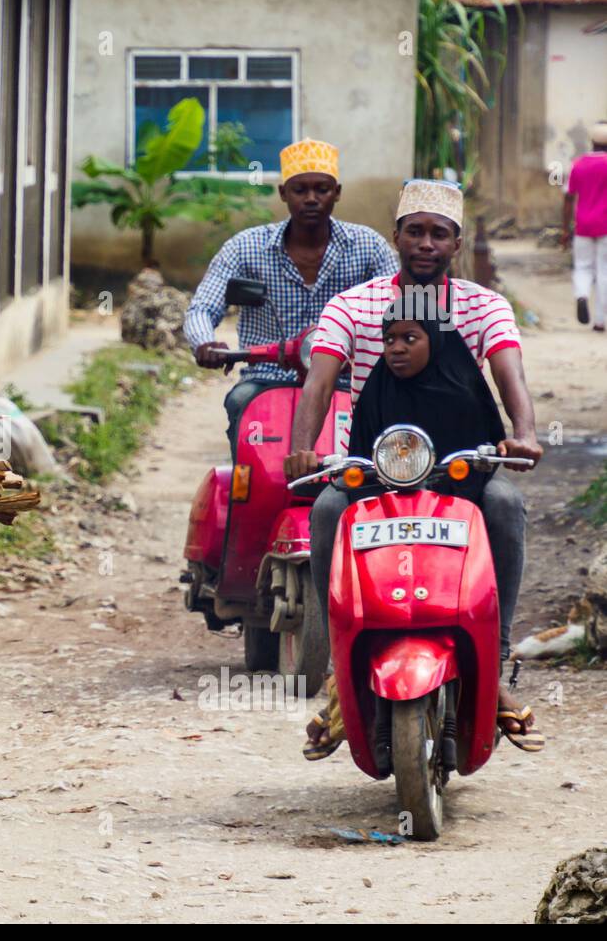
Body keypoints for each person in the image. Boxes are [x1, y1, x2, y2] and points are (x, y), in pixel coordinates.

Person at [285, 179, 545, 757]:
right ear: (396, 236)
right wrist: (303, 449)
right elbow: (319, 383)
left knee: (504, 506)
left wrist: (523, 435)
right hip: (372, 468)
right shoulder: (354, 305)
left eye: (440, 233)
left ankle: (492, 658)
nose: (426, 242)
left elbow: (511, 378)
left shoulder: (485, 306)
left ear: (456, 243)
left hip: (462, 468)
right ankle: (337, 667)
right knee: (327, 509)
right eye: (415, 231)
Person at [184, 138, 399, 451]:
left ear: (337, 192)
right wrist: (205, 341)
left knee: (382, 427)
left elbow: (400, 310)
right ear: (283, 192)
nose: (311, 199)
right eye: (300, 190)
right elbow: (203, 307)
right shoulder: (246, 247)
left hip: (346, 380)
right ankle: (248, 492)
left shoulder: (368, 247)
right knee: (240, 401)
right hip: (268, 378)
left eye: (322, 189)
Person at [562, 121, 607, 331]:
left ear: (592, 141)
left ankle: (581, 295)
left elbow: (569, 198)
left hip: (583, 226)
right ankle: (600, 321)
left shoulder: (578, 164)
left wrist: (564, 228)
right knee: (604, 271)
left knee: (582, 267)